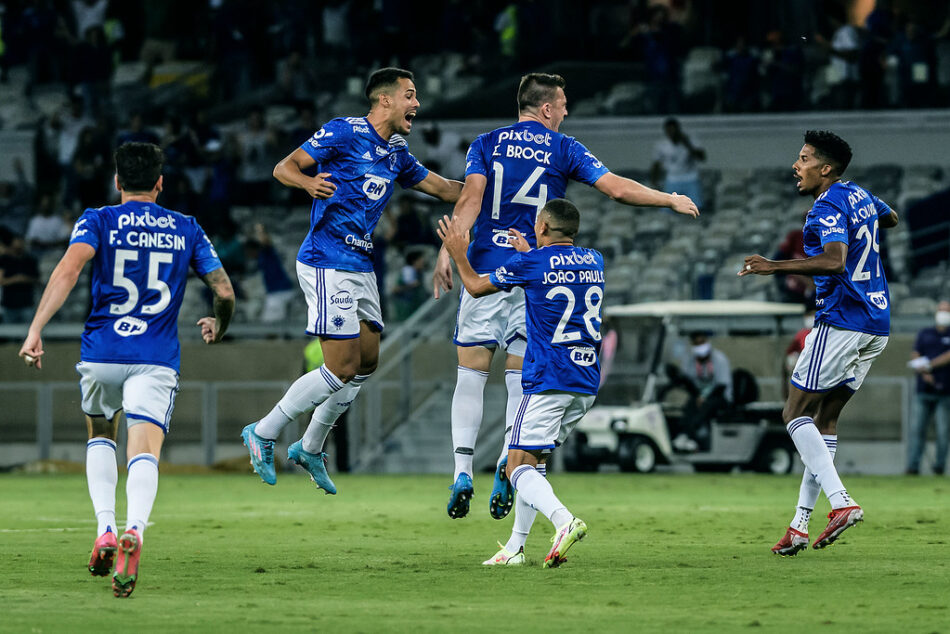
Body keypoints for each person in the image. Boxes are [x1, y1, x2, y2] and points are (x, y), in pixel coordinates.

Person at [432, 72, 698, 521]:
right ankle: (506, 460)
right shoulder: (564, 148)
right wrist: (668, 198)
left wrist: (447, 248)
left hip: (485, 266)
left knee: (471, 374)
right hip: (533, 271)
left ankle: (462, 470)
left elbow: (471, 201)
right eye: (564, 103)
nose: (568, 111)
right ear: (548, 108)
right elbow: (614, 187)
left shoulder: (486, 142)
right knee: (520, 376)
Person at [17, 142, 235, 597]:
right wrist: (220, 323)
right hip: (154, 359)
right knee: (144, 447)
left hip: (101, 353)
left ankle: (105, 529)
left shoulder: (97, 219)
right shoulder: (186, 228)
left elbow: (67, 271)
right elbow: (225, 291)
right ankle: (135, 528)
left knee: (100, 432)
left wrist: (36, 328)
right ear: (160, 182)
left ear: (117, 181)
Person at [241, 67, 462, 494]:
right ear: (385, 100)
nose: (416, 105)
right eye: (410, 96)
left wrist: (491, 184)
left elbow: (444, 188)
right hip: (326, 260)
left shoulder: (397, 153)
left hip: (361, 264)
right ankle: (264, 432)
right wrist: (307, 182)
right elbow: (283, 168)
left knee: (365, 363)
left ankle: (309, 446)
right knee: (339, 366)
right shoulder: (344, 132)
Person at [739, 130, 899, 555]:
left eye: (805, 158)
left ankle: (842, 502)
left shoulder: (825, 206)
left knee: (793, 412)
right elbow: (892, 218)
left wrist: (774, 266)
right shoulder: (858, 194)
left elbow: (833, 259)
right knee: (824, 422)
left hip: (843, 320)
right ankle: (799, 525)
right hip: (877, 322)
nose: (797, 164)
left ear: (825, 169)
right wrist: (863, 223)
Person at [438, 198, 602, 568]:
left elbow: (476, 287)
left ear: (542, 227)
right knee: (534, 461)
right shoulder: (595, 260)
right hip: (586, 380)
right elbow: (555, 274)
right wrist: (532, 252)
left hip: (548, 378)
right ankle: (515, 548)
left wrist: (458, 253)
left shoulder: (532, 264)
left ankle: (564, 521)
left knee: (516, 466)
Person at [906, 301, 950, 475]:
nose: (943, 313)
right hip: (923, 390)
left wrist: (929, 365)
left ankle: (939, 466)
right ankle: (913, 467)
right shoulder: (925, 333)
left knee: (942, 431)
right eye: (941, 310)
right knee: (917, 430)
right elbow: (916, 352)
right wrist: (922, 370)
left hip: (945, 391)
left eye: (947, 310)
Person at [669, 331, 732, 452]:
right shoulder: (691, 360)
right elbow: (688, 382)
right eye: (696, 343)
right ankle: (684, 435)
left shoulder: (719, 359)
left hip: (720, 397)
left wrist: (704, 398)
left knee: (706, 406)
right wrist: (698, 396)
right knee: (689, 405)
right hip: (700, 396)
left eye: (702, 342)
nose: (700, 346)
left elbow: (722, 386)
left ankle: (692, 435)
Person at [650, 117, 705, 211]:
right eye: (669, 131)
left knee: (694, 209)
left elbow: (701, 157)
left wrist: (688, 145)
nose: (672, 133)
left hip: (690, 179)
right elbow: (656, 164)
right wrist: (654, 181)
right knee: (667, 210)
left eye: (673, 130)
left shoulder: (691, 141)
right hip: (672, 180)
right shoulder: (661, 145)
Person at [0, 234, 40, 323]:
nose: (19, 244)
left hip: (27, 302)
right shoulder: (4, 260)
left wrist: (25, 279)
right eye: (16, 242)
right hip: (9, 303)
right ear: (11, 244)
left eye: (21, 242)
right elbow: (1, 281)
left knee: (28, 333)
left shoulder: (31, 260)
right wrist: (16, 279)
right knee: (9, 332)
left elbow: (37, 280)